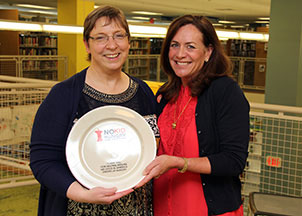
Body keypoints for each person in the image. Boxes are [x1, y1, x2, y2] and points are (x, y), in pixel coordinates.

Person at [30, 6, 158, 216]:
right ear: (87, 45)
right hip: (80, 209)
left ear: (129, 41)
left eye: (119, 35)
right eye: (100, 38)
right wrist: (81, 194)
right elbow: (42, 161)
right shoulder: (63, 95)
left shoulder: (143, 92)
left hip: (138, 209)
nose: (112, 45)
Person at [137, 15, 250, 215]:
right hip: (164, 206)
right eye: (174, 45)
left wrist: (180, 162)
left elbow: (233, 161)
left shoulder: (225, 92)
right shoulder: (165, 95)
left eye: (190, 46)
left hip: (205, 209)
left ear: (208, 52)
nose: (180, 54)